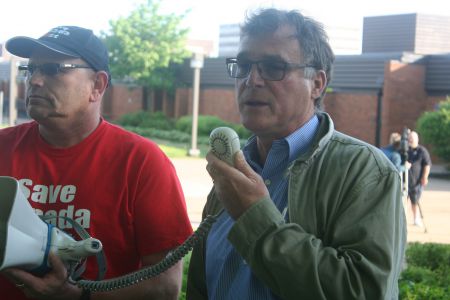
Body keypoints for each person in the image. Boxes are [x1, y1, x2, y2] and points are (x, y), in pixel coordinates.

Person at [187, 8, 406, 300]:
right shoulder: (233, 173)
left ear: (317, 83)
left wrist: (254, 217)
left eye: (273, 67)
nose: (252, 80)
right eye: (244, 65)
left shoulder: (365, 172)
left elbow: (364, 291)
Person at [0, 26, 193, 300]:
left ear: (98, 85)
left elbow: (165, 286)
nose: (36, 80)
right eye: (31, 69)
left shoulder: (142, 162)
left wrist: (78, 296)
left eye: (54, 69)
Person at [407, 131, 431, 227]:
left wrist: (425, 177)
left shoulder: (422, 151)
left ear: (417, 139)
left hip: (417, 181)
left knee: (415, 200)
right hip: (405, 181)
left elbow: (427, 165)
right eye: (410, 138)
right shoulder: (405, 150)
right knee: (403, 200)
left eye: (412, 138)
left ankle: (416, 218)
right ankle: (402, 219)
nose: (411, 140)